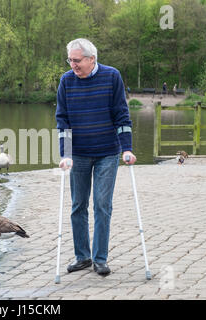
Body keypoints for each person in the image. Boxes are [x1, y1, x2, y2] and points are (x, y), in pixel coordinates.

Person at [56, 38, 136, 276]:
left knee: (102, 205)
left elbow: (122, 115)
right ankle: (83, 256)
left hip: (106, 153)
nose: (73, 65)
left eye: (77, 60)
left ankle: (100, 259)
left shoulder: (112, 77)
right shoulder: (66, 81)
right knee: (78, 205)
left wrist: (127, 149)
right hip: (78, 154)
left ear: (92, 59)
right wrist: (66, 153)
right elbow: (63, 120)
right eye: (70, 60)